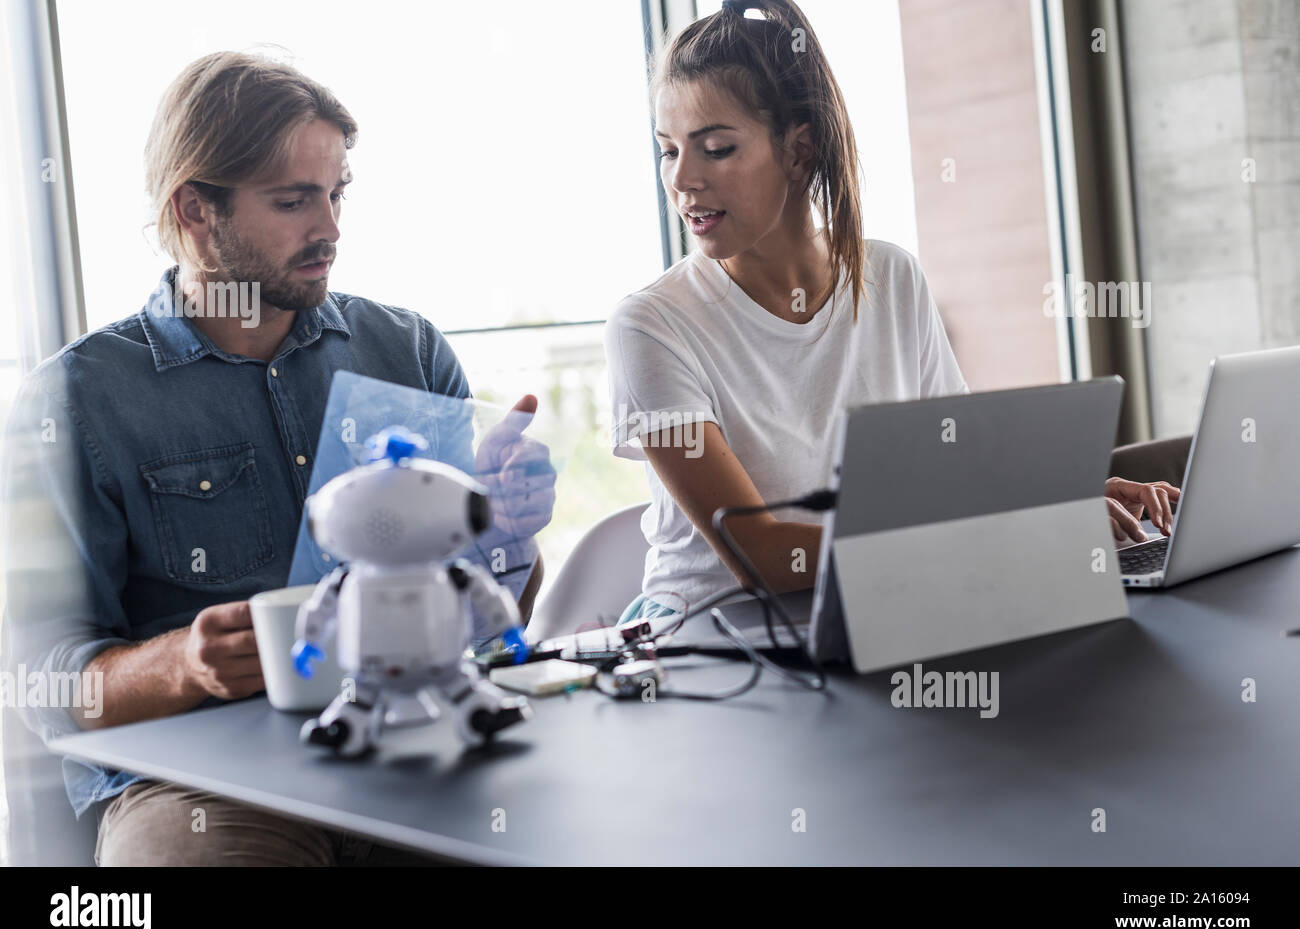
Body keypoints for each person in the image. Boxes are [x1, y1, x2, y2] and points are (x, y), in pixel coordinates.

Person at [1, 51, 554, 866]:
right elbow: (40, 683)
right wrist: (184, 664)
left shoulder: (406, 351)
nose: (330, 228)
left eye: (337, 194)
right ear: (196, 209)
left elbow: (491, 614)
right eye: (294, 202)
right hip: (201, 781)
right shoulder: (73, 403)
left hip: (411, 730)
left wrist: (507, 533)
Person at [604, 0, 1178, 622]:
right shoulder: (651, 326)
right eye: (668, 151)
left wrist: (1060, 502)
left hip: (880, 607)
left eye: (715, 148)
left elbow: (955, 465)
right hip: (715, 641)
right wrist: (992, 543)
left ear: (799, 152)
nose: (682, 179)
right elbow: (764, 556)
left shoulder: (892, 277)